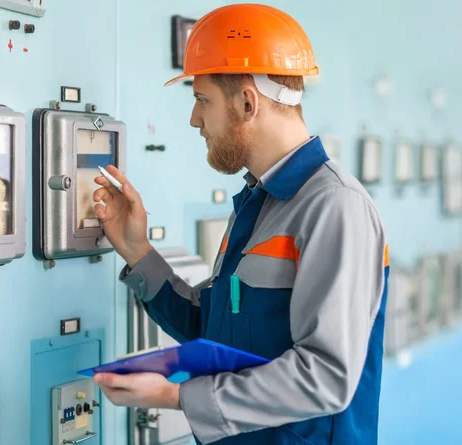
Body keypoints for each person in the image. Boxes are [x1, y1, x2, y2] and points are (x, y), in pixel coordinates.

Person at [91, 4, 389, 445]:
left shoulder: (334, 207)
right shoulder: (259, 202)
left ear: (247, 102)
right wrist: (138, 251)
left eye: (201, 100)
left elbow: (325, 377)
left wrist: (179, 397)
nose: (195, 120)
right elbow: (213, 331)